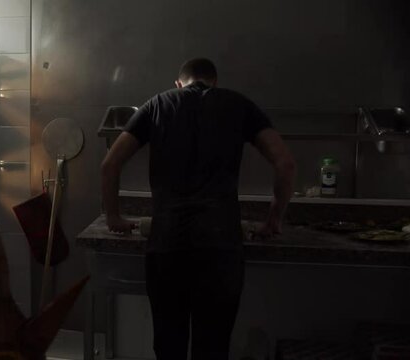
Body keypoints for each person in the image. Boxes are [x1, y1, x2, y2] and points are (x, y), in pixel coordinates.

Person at [100, 58, 295, 359]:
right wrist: (273, 219)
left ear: (179, 83)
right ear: (214, 81)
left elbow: (110, 164)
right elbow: (285, 163)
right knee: (213, 347)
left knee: (169, 344)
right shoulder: (239, 105)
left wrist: (114, 216)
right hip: (220, 247)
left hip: (168, 244)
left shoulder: (157, 104)